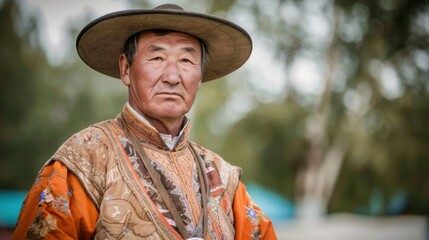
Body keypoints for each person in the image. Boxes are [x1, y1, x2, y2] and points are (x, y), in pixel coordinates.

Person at [13, 3, 277, 240]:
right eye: (157, 58)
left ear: (200, 77)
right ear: (126, 69)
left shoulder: (224, 179)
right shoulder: (85, 159)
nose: (173, 76)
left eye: (186, 60)